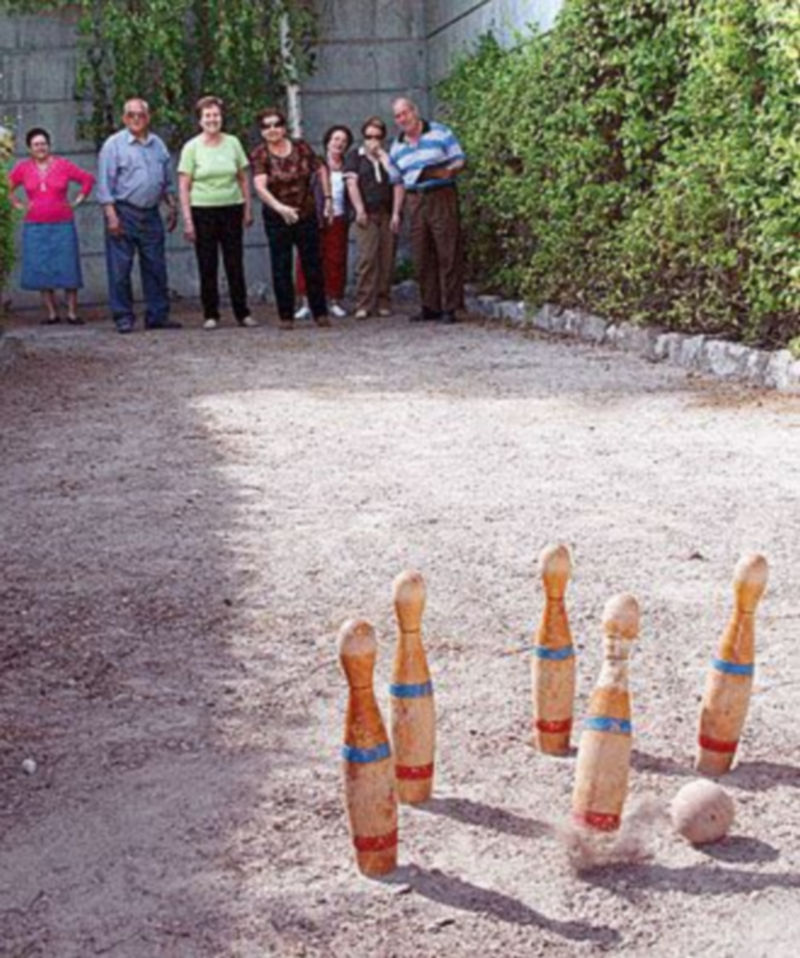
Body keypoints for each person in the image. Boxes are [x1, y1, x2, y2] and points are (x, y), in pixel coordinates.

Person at [96, 97, 180, 333]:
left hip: (151, 213)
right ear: (124, 118)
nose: (136, 119)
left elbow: (166, 181)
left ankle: (157, 316)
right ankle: (123, 317)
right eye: (130, 115)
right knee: (120, 269)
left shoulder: (158, 144)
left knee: (156, 267)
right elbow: (105, 185)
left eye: (140, 115)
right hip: (123, 211)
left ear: (148, 117)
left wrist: (171, 207)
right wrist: (111, 216)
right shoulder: (113, 145)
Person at [178, 96, 256, 330]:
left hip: (232, 208)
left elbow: (243, 178)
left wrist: (247, 209)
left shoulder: (233, 143)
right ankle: (210, 314)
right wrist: (188, 220)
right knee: (207, 263)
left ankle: (243, 313)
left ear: (222, 118)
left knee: (235, 263)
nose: (213, 120)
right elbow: (183, 185)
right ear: (200, 120)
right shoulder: (191, 147)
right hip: (202, 210)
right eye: (208, 116)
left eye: (216, 115)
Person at [251, 107, 332, 330]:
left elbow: (321, 168)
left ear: (284, 127)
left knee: (313, 263)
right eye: (267, 126)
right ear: (261, 131)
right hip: (277, 217)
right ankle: (286, 315)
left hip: (306, 213)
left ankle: (320, 313)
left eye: (276, 124)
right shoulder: (260, 154)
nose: (273, 130)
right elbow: (260, 186)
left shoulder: (301, 146)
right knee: (281, 266)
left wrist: (327, 198)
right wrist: (280, 208)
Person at [388, 97, 466, 324]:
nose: (403, 119)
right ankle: (430, 305)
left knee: (447, 250)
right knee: (421, 254)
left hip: (440, 194)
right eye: (398, 116)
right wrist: (396, 212)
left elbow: (459, 159)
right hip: (414, 199)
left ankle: (451, 307)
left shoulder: (440, 132)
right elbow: (397, 182)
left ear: (415, 111)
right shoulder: (397, 147)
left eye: (405, 113)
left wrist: (449, 171)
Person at [8, 127, 94, 324]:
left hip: (63, 224)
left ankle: (72, 312)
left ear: (49, 145)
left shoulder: (63, 165)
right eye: (36, 145)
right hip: (35, 226)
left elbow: (87, 179)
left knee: (68, 266)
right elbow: (6, 186)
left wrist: (78, 199)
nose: (40, 148)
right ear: (29, 148)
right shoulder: (23, 168)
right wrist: (17, 204)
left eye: (43, 144)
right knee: (41, 268)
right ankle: (51, 313)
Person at [344, 116, 403, 320]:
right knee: (367, 257)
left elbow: (398, 183)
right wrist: (359, 209)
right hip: (366, 213)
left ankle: (384, 300)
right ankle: (363, 302)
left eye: (377, 137)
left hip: (387, 212)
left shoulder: (389, 157)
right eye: (369, 136)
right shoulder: (355, 157)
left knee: (387, 257)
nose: (373, 141)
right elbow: (351, 184)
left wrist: (396, 212)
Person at [295, 124, 353, 320]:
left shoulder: (348, 166)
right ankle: (305, 302)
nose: (339, 144)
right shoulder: (315, 165)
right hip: (315, 218)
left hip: (338, 218)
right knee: (307, 259)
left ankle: (334, 300)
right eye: (336, 139)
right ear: (328, 141)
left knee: (336, 260)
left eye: (344, 141)